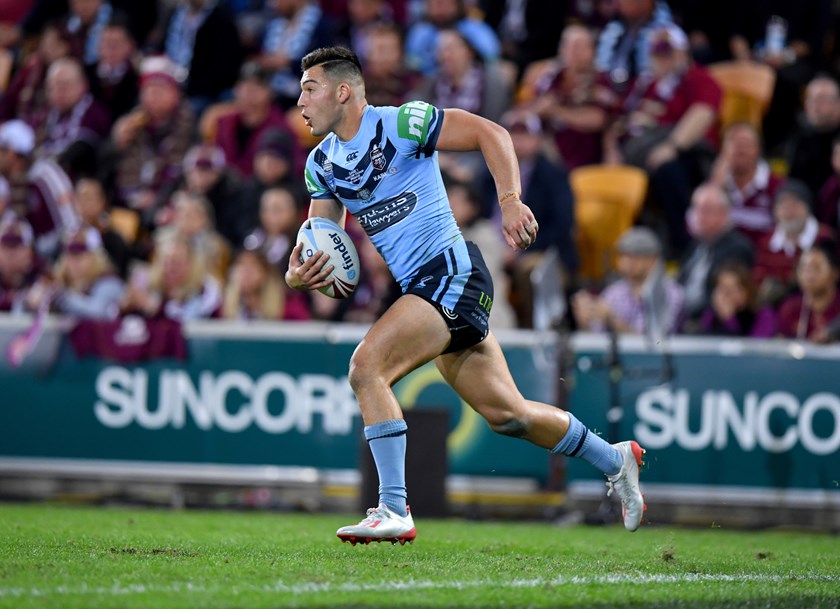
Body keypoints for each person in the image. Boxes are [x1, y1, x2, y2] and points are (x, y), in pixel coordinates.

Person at [286, 47, 646, 543]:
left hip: (451, 272)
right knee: (510, 416)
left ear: (342, 91)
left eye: (309, 89)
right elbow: (323, 243)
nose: (300, 102)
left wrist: (510, 201)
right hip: (428, 288)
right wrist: (298, 276)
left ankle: (393, 508)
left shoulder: (403, 124)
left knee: (366, 367)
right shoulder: (321, 164)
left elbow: (489, 132)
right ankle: (616, 458)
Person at [571, 226, 684, 336]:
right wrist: (585, 323)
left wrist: (613, 320)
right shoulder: (614, 292)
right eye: (622, 256)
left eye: (634, 257)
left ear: (653, 259)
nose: (626, 262)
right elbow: (596, 340)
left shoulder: (670, 292)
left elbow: (656, 343)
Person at [678, 183, 754, 323]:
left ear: (724, 213)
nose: (699, 216)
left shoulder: (737, 248)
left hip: (711, 323)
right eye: (696, 209)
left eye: (706, 210)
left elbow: (725, 296)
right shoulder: (697, 244)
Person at [708, 122, 783, 245]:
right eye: (734, 144)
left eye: (746, 144)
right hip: (722, 257)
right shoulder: (716, 183)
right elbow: (695, 227)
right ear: (723, 149)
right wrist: (715, 188)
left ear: (759, 149)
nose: (740, 149)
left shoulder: (776, 186)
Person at [777, 242, 840, 342]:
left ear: (835, 273)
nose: (809, 275)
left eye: (816, 268)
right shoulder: (790, 308)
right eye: (804, 268)